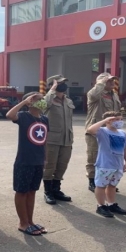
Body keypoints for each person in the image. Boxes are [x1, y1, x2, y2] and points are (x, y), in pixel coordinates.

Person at [6, 92, 49, 236]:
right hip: (25, 160)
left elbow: (44, 140)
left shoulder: (44, 119)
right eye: (38, 100)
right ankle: (22, 223)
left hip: (38, 160)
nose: (42, 102)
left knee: (32, 191)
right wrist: (24, 102)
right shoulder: (24, 116)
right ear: (29, 102)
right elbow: (10, 115)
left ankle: (30, 221)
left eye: (42, 99)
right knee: (22, 191)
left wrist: (45, 158)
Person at [86, 111, 126, 218]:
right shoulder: (102, 131)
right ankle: (101, 206)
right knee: (101, 185)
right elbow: (90, 130)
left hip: (117, 165)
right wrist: (105, 121)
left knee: (112, 185)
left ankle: (111, 204)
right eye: (116, 119)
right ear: (108, 121)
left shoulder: (122, 133)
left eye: (121, 119)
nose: (119, 121)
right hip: (105, 164)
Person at [85, 72, 121, 192]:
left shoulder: (114, 95)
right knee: (94, 156)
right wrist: (100, 83)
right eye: (108, 81)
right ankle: (92, 181)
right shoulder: (95, 93)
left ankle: (107, 180)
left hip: (111, 130)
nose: (112, 82)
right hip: (96, 130)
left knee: (110, 155)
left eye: (112, 80)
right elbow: (93, 94)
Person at [43, 75, 74, 205]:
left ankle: (56, 189)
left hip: (67, 138)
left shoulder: (68, 101)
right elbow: (41, 107)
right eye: (59, 83)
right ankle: (48, 192)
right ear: (52, 85)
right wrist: (51, 91)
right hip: (52, 138)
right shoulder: (48, 99)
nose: (63, 85)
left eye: (64, 82)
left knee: (62, 165)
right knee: (50, 166)